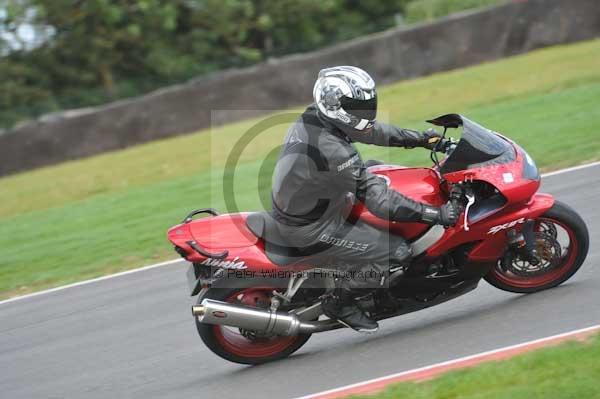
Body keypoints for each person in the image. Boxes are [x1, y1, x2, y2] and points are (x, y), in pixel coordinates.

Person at [270, 66, 459, 332]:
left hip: (312, 202)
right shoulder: (333, 150)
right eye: (358, 108)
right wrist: (435, 214)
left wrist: (422, 140)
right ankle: (339, 302)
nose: (365, 113)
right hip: (312, 226)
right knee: (395, 252)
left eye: (366, 105)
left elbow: (371, 131)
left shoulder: (317, 116)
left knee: (379, 168)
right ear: (335, 105)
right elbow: (381, 203)